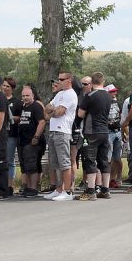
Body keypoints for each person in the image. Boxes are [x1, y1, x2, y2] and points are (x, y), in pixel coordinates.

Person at [76, 72, 113, 200]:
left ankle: (91, 190)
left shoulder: (89, 96)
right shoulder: (109, 97)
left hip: (91, 131)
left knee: (90, 160)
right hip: (105, 131)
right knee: (103, 160)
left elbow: (80, 114)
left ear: (92, 82)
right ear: (103, 81)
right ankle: (105, 189)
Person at [44, 71, 79, 201]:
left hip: (62, 131)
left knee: (64, 162)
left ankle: (67, 190)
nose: (59, 81)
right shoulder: (59, 94)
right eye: (58, 79)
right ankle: (58, 189)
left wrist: (53, 110)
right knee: (55, 163)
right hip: (53, 130)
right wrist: (53, 110)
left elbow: (59, 112)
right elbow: (47, 109)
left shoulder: (71, 94)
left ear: (69, 80)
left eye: (62, 79)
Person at [17, 85, 46, 197]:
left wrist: (36, 137)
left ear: (33, 95)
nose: (25, 97)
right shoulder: (24, 107)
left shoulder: (36, 106)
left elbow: (42, 122)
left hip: (32, 141)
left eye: (27, 95)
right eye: (23, 96)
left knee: (32, 165)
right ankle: (28, 187)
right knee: (26, 165)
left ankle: (33, 188)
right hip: (23, 141)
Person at [3, 77, 22, 190]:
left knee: (9, 160)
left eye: (7, 86)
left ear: (12, 88)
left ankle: (10, 185)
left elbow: (20, 117)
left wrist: (9, 118)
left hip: (11, 134)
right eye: (4, 85)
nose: (5, 88)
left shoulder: (16, 102)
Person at [105, 85, 123, 189]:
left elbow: (121, 115)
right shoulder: (104, 102)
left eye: (115, 91)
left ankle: (117, 177)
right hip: (108, 132)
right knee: (108, 157)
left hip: (118, 131)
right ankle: (108, 179)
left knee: (117, 157)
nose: (114, 93)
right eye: (112, 92)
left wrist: (124, 132)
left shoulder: (118, 102)